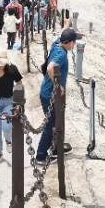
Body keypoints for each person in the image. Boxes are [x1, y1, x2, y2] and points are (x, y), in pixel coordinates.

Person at [35, 26, 80, 166]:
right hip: (50, 94)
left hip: (47, 91)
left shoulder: (57, 44)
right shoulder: (61, 54)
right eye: (74, 41)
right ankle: (40, 156)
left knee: (55, 123)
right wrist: (58, 86)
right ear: (71, 43)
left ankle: (54, 149)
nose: (75, 44)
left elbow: (62, 32)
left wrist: (67, 24)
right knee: (51, 126)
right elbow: (50, 68)